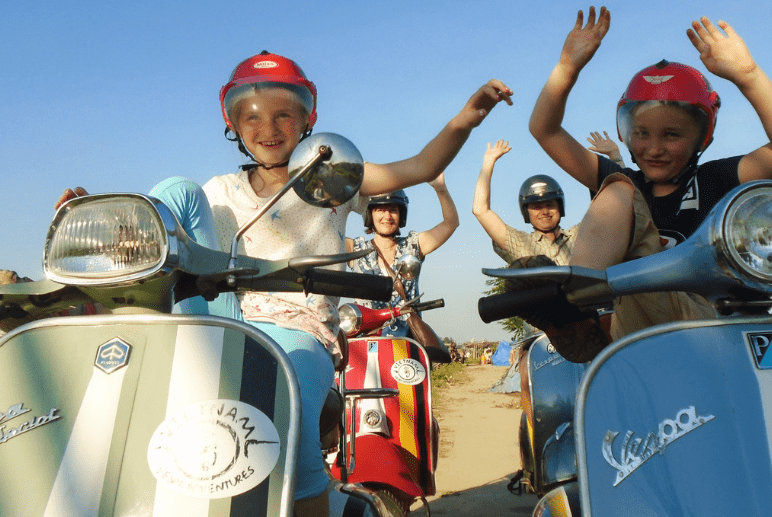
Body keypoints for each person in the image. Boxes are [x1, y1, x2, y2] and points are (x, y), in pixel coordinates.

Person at [58, 51, 513, 517]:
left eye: (282, 114)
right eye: (251, 116)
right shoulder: (219, 191)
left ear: (306, 120)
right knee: (179, 190)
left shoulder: (332, 178)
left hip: (298, 329)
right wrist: (110, 222)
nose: (267, 127)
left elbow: (417, 166)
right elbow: (176, 238)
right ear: (233, 123)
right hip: (223, 319)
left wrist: (468, 117)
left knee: (286, 424)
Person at [529, 7, 772, 353]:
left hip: (719, 328)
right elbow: (545, 130)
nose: (654, 148)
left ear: (701, 137)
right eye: (642, 133)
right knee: (620, 186)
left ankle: (574, 304)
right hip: (648, 334)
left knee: (622, 191)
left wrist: (748, 76)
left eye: (672, 135)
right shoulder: (626, 186)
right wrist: (567, 68)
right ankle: (576, 304)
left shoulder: (716, 179)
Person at [347, 175, 456, 345]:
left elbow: (451, 223)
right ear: (369, 214)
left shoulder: (413, 246)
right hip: (366, 342)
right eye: (380, 209)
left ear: (401, 214)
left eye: (393, 210)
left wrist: (440, 188)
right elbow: (324, 233)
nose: (387, 216)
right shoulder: (355, 249)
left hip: (406, 341)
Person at [472, 139, 577, 266]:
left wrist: (609, 157)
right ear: (526, 212)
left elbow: (606, 213)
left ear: (560, 207)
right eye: (537, 207)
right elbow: (480, 210)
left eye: (550, 205)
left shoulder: (579, 236)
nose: (545, 212)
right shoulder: (519, 243)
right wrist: (488, 162)